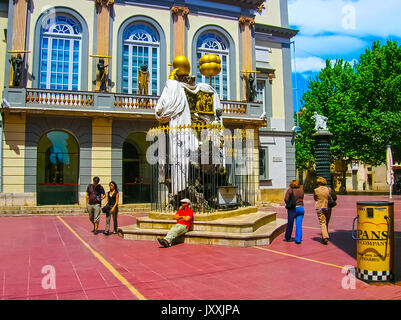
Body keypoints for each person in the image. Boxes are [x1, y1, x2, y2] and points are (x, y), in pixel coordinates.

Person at [313, 177, 336, 245]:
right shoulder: (329, 189)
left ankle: (325, 237)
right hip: (328, 207)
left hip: (320, 207)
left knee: (322, 222)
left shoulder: (316, 190)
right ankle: (325, 235)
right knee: (327, 222)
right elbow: (335, 197)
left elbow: (315, 198)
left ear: (318, 183)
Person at [284, 180, 305, 244]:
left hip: (293, 209)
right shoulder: (301, 190)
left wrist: (289, 204)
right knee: (299, 224)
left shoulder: (290, 190)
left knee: (290, 223)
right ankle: (298, 239)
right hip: (301, 208)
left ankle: (288, 237)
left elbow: (286, 199)